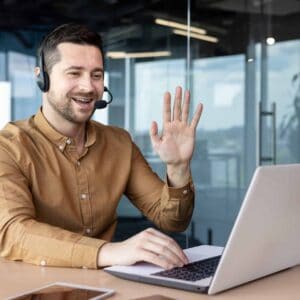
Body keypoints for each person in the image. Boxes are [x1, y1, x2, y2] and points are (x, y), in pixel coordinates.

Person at [0, 24, 203, 270]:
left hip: (102, 286)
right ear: (42, 77)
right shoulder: (9, 147)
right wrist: (109, 251)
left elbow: (172, 221)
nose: (88, 87)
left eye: (96, 75)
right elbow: (13, 232)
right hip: (34, 289)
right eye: (74, 73)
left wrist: (178, 167)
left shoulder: (119, 143)